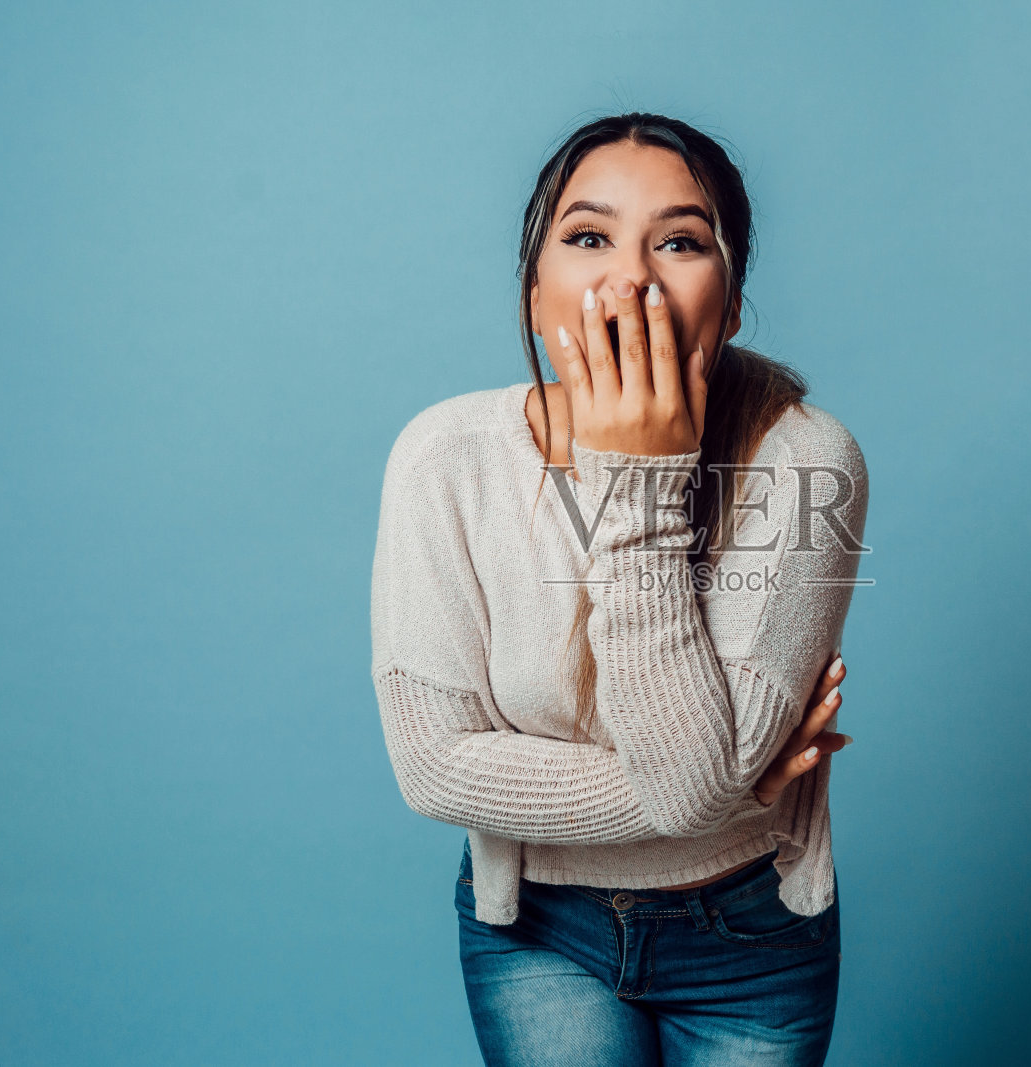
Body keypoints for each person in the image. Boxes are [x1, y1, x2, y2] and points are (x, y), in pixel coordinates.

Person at [369, 111, 870, 1066]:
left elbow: (690, 796)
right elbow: (433, 767)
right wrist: (725, 784)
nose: (630, 276)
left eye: (680, 241)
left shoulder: (806, 462)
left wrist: (635, 484)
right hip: (535, 931)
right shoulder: (443, 458)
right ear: (533, 294)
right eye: (587, 235)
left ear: (727, 302)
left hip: (749, 940)